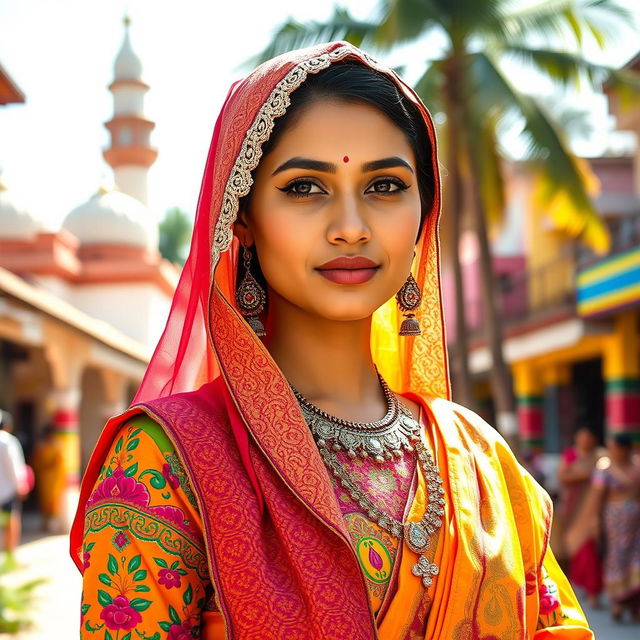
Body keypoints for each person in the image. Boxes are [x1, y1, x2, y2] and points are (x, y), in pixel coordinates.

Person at [71, 42, 593, 638]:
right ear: (241, 214)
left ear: (424, 213)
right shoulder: (166, 461)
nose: (351, 226)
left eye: (386, 186)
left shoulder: (482, 459)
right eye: (304, 188)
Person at [592, 434, 640, 623]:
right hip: (615, 524)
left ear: (625, 448)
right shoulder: (605, 468)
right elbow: (597, 497)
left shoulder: (637, 466)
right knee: (617, 560)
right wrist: (595, 522)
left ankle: (635, 606)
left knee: (637, 561)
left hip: (637, 524)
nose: (611, 451)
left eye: (614, 447)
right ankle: (619, 603)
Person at [558, 427, 606, 608]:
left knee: (591, 551)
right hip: (573, 509)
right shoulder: (570, 455)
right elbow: (562, 476)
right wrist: (586, 473)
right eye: (582, 437)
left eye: (588, 437)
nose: (585, 441)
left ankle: (593, 590)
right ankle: (579, 585)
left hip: (596, 510)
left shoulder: (601, 456)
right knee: (575, 548)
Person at [0, 410, 27, 570]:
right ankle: (10, 558)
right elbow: (14, 465)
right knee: (11, 523)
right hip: (7, 490)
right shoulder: (8, 441)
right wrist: (20, 485)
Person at [32, 425, 66, 533]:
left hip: (55, 479)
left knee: (55, 503)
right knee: (44, 502)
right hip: (44, 478)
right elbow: (36, 462)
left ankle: (54, 526)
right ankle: (45, 524)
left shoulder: (58, 446)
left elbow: (60, 463)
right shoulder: (41, 447)